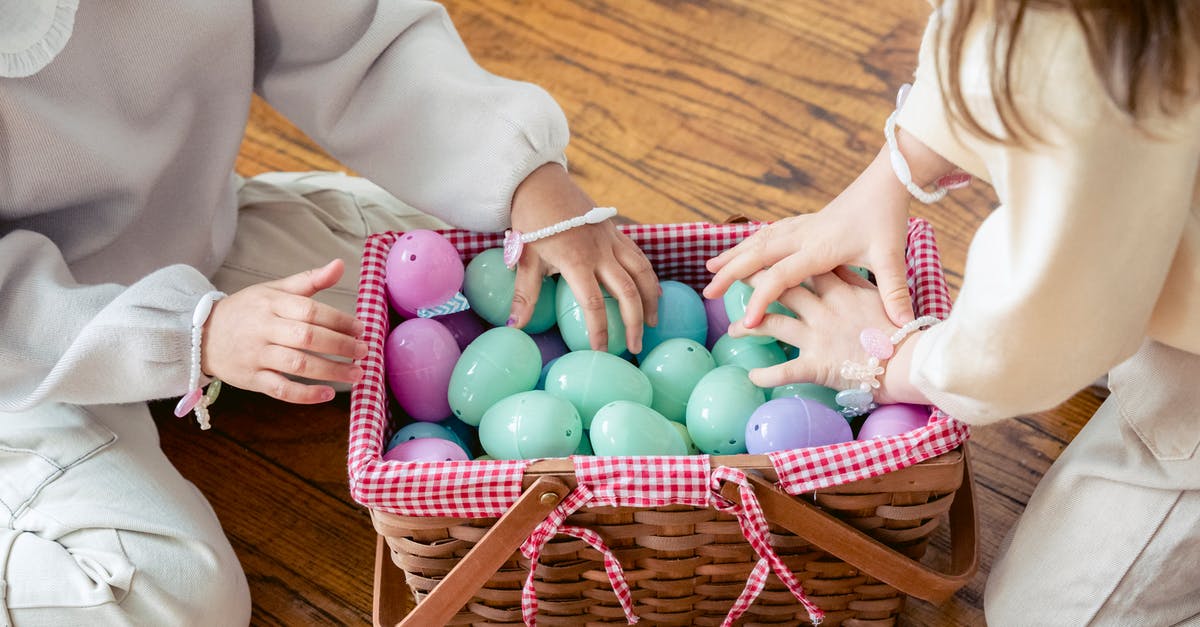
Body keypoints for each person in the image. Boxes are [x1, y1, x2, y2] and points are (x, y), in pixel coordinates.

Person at [0, 2, 658, 625]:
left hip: (189, 238)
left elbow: (355, 41)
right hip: (21, 359)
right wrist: (186, 335)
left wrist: (524, 177)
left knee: (479, 271)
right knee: (170, 591)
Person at [703, 1, 1199, 624]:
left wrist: (887, 361)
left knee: (1043, 616)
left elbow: (1038, 329)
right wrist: (897, 166)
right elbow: (994, 39)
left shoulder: (1108, 64)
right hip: (1128, 222)